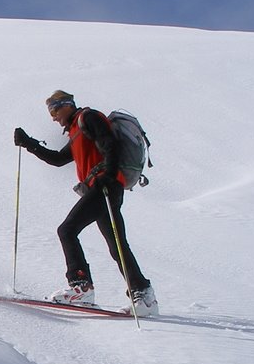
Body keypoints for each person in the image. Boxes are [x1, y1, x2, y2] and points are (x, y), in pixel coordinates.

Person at [13, 90, 158, 316]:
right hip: (103, 187)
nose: (53, 117)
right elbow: (58, 159)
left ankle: (81, 287)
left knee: (67, 230)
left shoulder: (88, 118)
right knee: (117, 244)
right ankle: (144, 295)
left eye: (54, 110)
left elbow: (110, 144)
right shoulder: (76, 131)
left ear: (67, 105)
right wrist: (28, 143)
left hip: (105, 186)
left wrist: (109, 175)